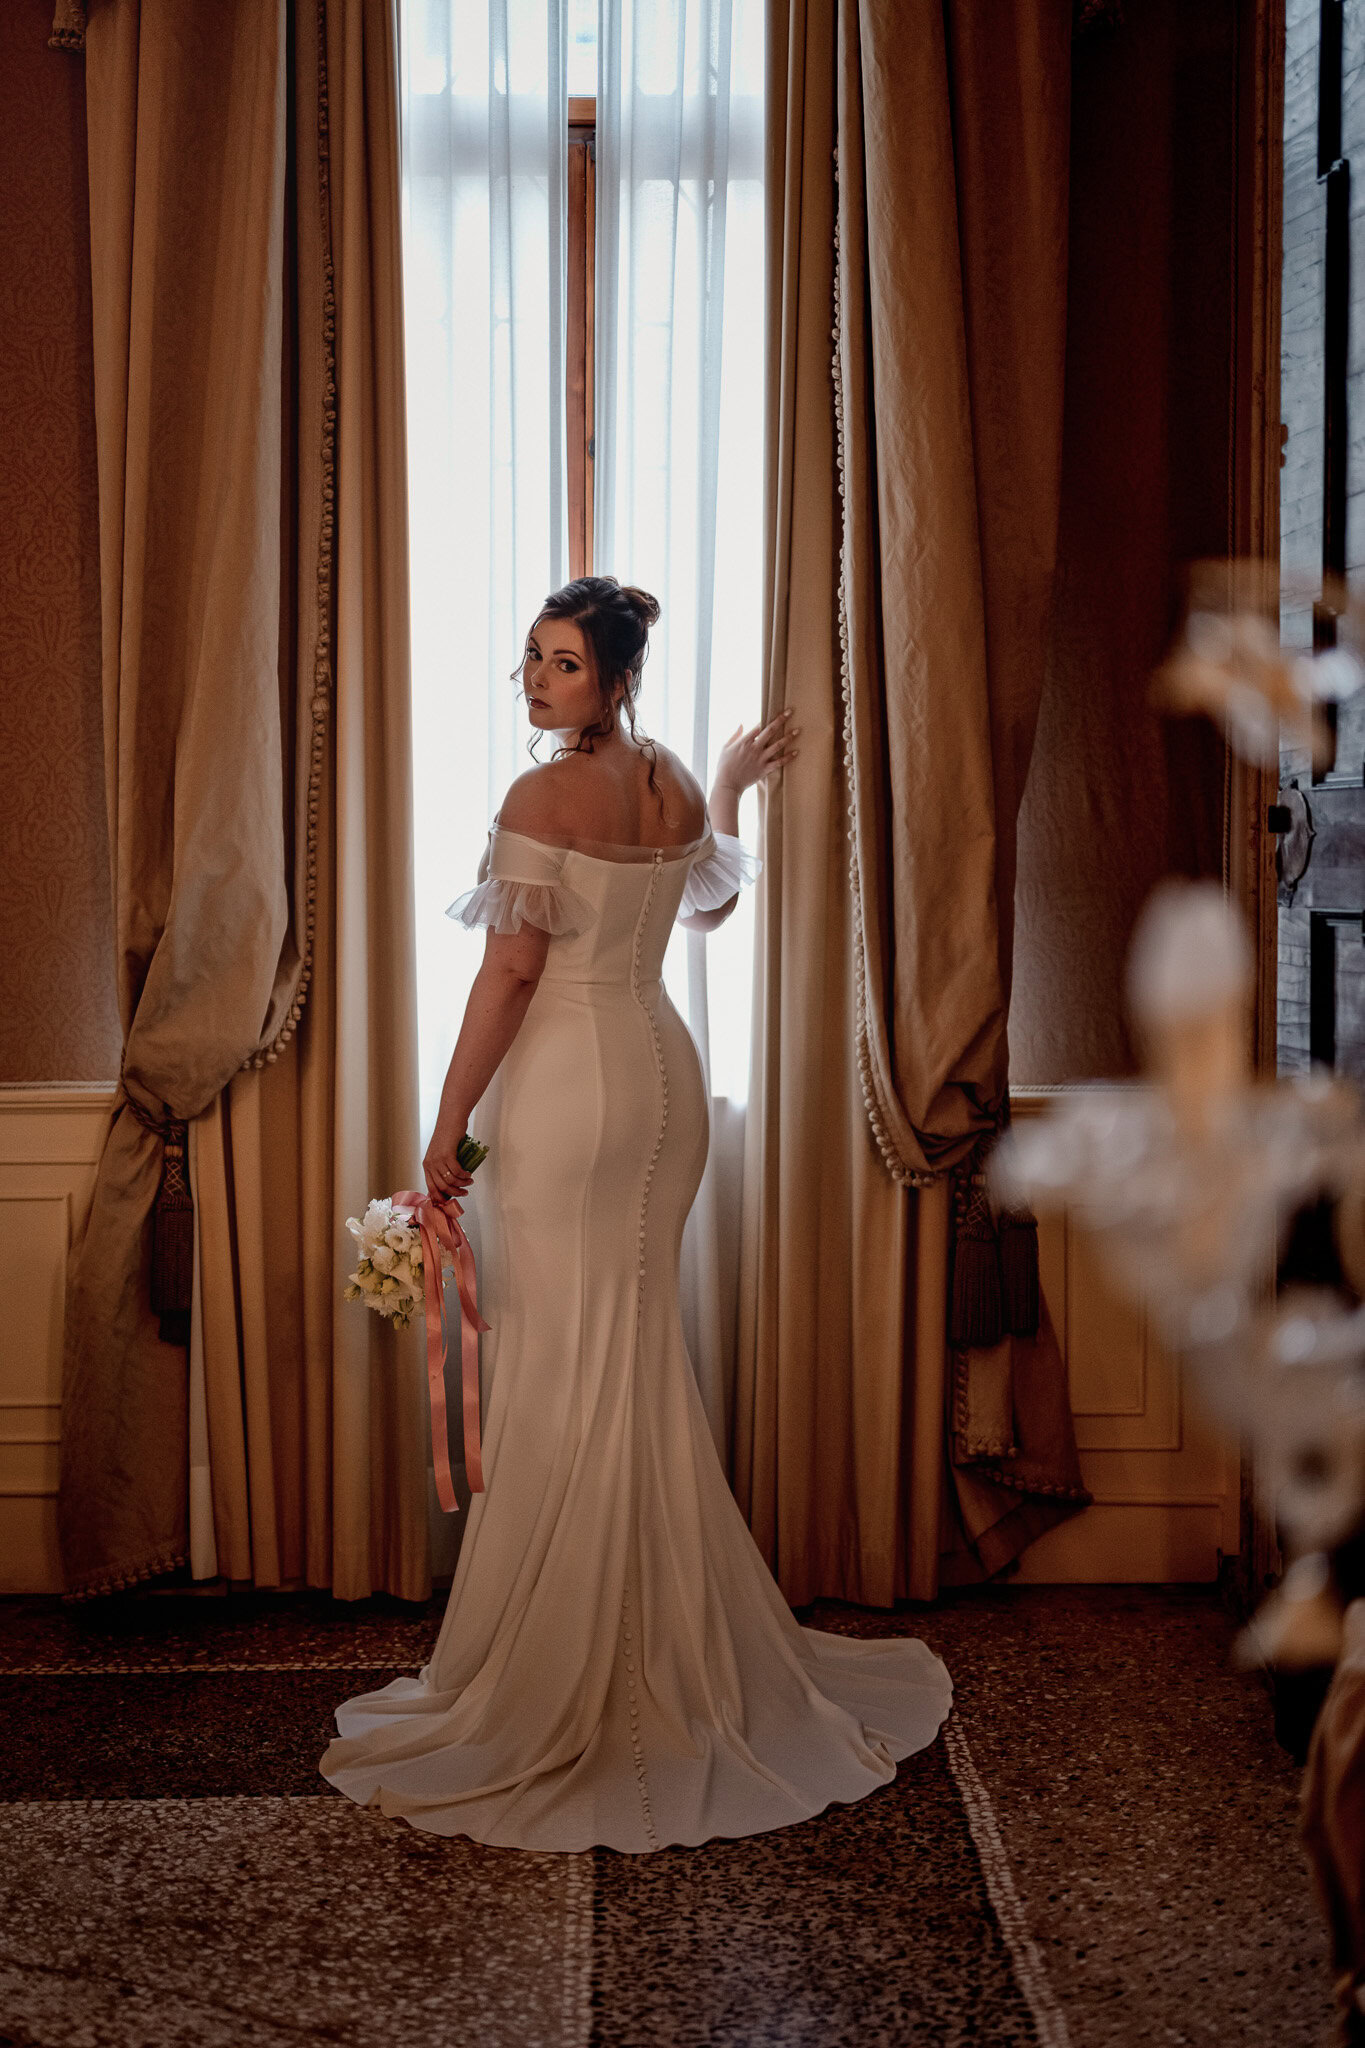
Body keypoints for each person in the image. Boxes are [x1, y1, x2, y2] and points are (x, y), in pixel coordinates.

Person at [320, 575, 952, 1852]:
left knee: (563, 1359)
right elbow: (710, 903)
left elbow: (511, 970)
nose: (536, 682)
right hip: (662, 1077)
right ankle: (665, 1640)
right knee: (632, 1359)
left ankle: (570, 1667)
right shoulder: (662, 779)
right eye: (531, 659)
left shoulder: (539, 796)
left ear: (614, 676)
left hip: (569, 1090)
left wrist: (447, 1119)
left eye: (560, 663)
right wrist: (724, 793)